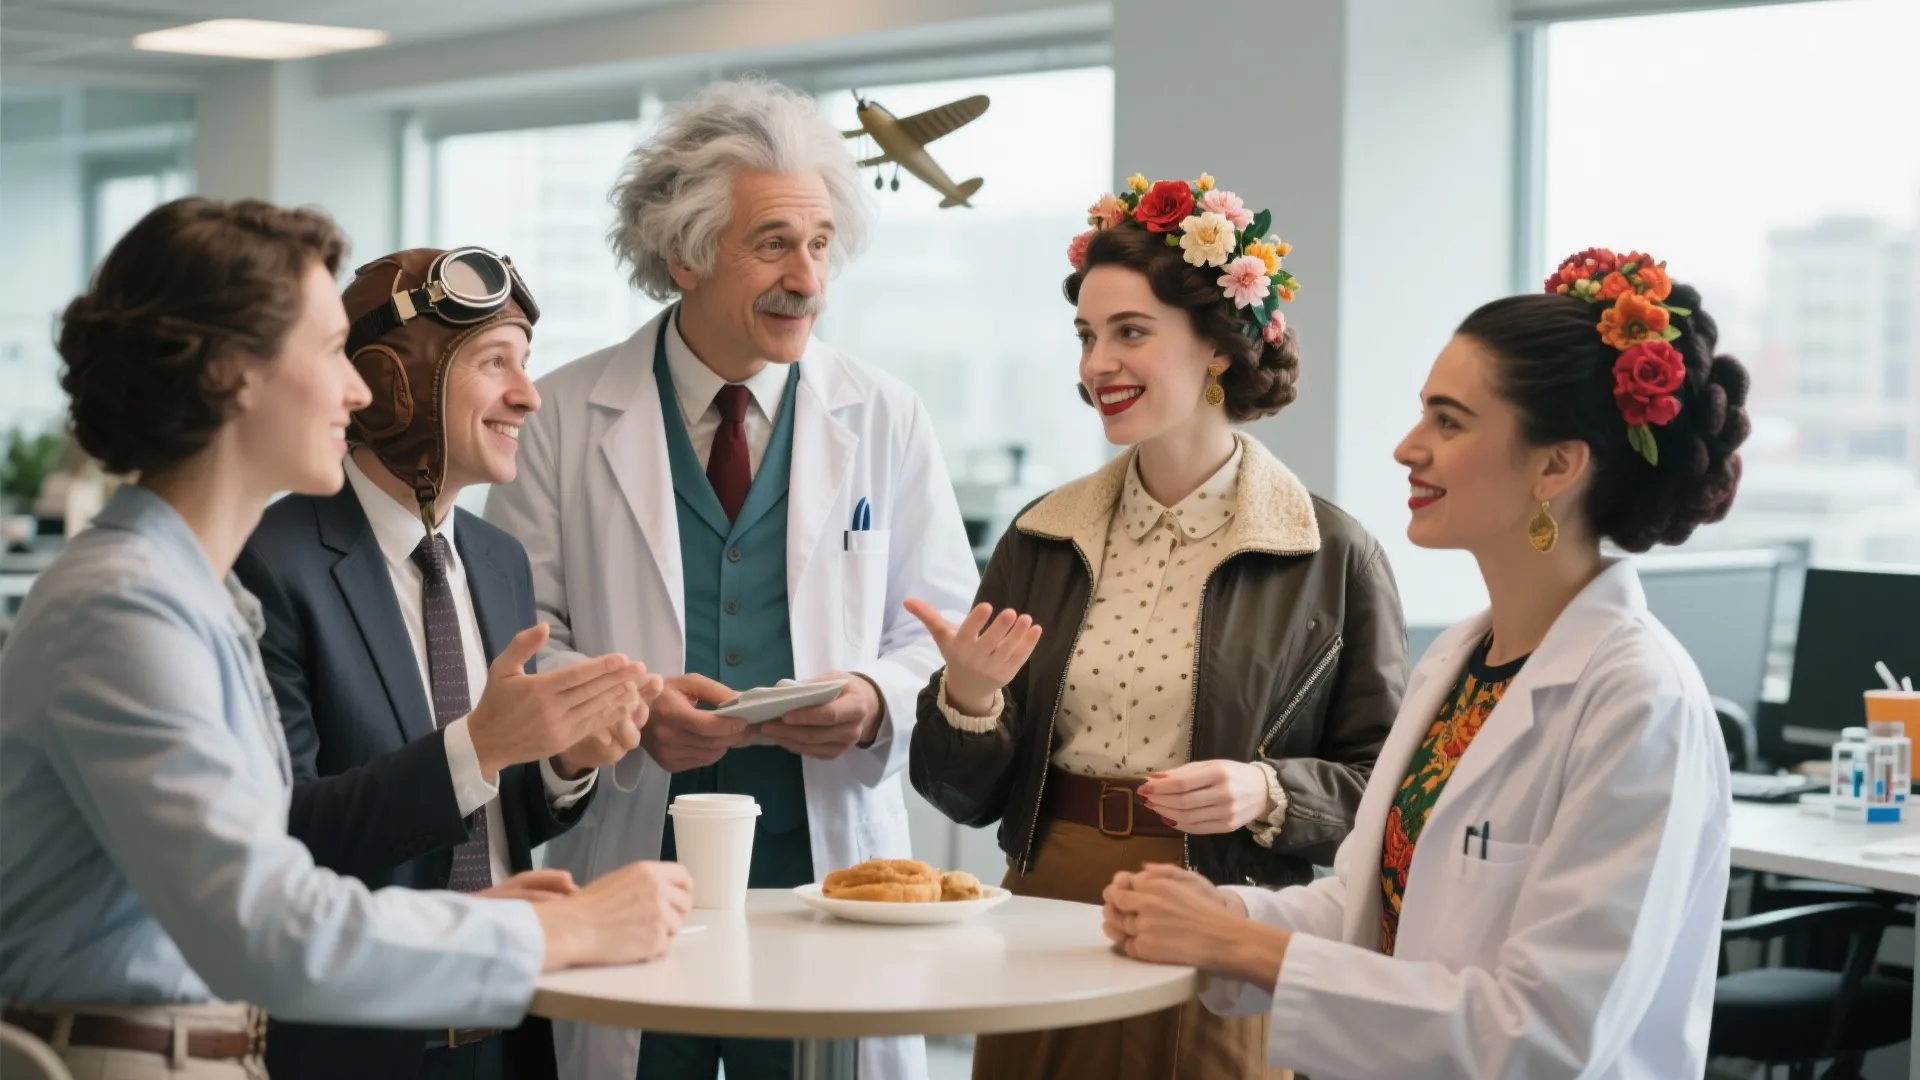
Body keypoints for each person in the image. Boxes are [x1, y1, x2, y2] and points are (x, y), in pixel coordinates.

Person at [0, 197, 693, 1080]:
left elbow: (279, 882)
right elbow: (271, 925)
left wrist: (496, 906)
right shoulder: (124, 610)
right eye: (332, 352)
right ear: (229, 372)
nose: (362, 390)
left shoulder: (190, 599)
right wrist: (559, 927)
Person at [1103, 247, 1745, 1078]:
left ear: (1557, 465)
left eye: (1449, 421)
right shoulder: (1459, 659)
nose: (1409, 448)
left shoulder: (1639, 700)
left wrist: (1243, 947)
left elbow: (1544, 1036)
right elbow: (1368, 910)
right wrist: (1215, 912)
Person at [484, 78, 977, 1080]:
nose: (810, 277)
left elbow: (940, 629)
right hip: (633, 869)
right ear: (685, 254)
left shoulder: (885, 416)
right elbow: (517, 640)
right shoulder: (566, 417)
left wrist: (875, 700)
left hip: (822, 872)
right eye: (774, 244)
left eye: (822, 243)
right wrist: (624, 708)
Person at [904, 173, 1408, 1080]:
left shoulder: (1333, 554)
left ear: (1217, 344)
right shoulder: (1041, 535)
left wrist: (1268, 792)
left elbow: (1387, 790)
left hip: (1225, 905)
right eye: (1087, 336)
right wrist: (969, 698)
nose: (1097, 364)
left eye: (1130, 332)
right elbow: (962, 796)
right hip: (1047, 897)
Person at [232, 246, 658, 1080]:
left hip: (511, 1028)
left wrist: (566, 759)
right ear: (395, 387)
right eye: (495, 364)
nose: (528, 395)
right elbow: (285, 833)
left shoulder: (497, 559)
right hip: (364, 1042)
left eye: (526, 364)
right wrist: (483, 748)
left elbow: (499, 825)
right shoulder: (269, 564)